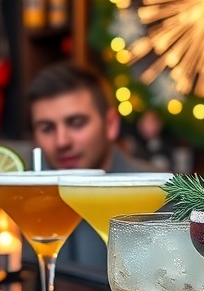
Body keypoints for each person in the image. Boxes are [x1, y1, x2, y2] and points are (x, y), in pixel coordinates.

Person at [27, 61, 151, 274]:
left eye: (77, 123)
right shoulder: (22, 198)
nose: (62, 141)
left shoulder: (160, 194)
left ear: (110, 124)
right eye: (47, 128)